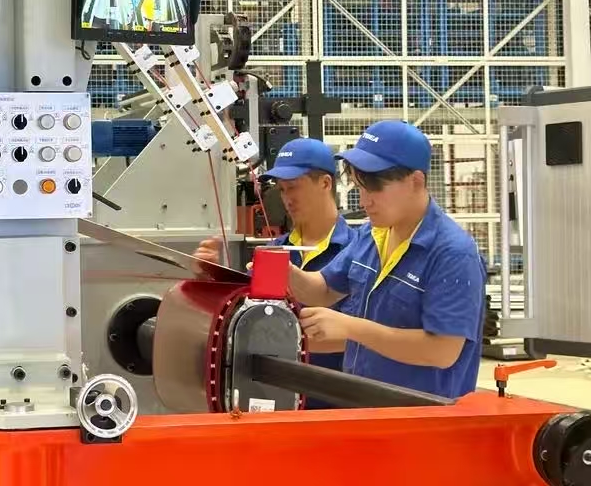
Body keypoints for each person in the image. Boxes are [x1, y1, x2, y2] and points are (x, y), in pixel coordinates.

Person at [289, 120, 485, 399]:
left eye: (374, 189)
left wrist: (350, 327)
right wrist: (284, 273)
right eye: (359, 188)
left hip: (422, 416)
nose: (364, 201)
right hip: (364, 405)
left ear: (416, 181)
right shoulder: (372, 234)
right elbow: (322, 290)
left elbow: (442, 351)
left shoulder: (452, 253)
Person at [192, 138, 355, 407]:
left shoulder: (358, 253)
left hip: (335, 405)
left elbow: (357, 336)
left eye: (294, 186)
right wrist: (211, 280)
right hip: (274, 402)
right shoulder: (273, 252)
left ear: (326, 183)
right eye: (282, 189)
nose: (287, 198)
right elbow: (243, 321)